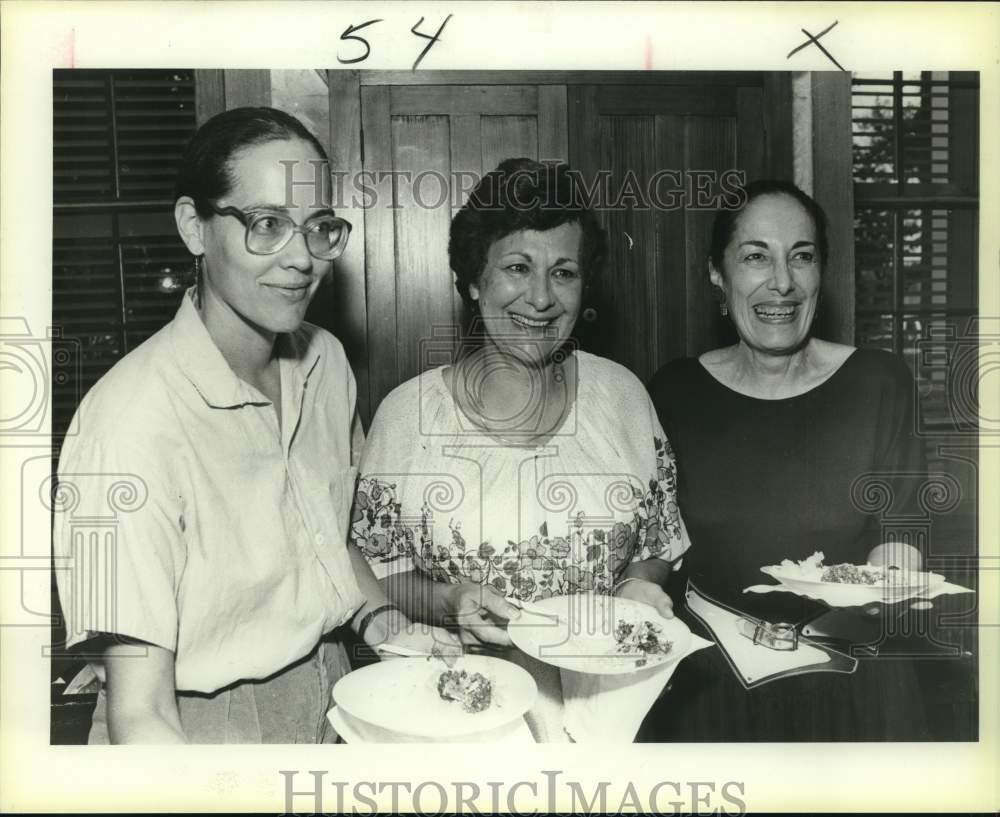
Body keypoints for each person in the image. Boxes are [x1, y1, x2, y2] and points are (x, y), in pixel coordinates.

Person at [52, 106, 456, 744]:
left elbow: (324, 533)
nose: (302, 259)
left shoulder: (325, 363)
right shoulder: (123, 427)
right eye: (267, 224)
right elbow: (141, 714)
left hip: (333, 686)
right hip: (200, 729)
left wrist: (386, 622)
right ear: (194, 227)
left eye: (317, 227)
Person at [351, 158, 690, 741]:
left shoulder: (623, 396)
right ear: (474, 280)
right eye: (516, 267)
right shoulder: (407, 416)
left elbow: (658, 543)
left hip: (607, 714)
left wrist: (637, 586)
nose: (540, 298)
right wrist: (447, 600)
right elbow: (378, 572)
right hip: (462, 718)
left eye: (563, 272)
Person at [639, 179, 930, 741]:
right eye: (755, 257)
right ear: (717, 276)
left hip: (851, 683)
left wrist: (886, 585)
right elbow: (654, 546)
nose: (782, 282)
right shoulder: (674, 392)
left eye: (802, 257)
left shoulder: (880, 383)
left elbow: (899, 529)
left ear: (821, 272)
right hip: (710, 688)